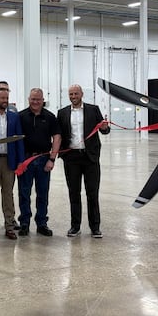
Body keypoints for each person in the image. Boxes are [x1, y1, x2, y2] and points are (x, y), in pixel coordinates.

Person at [57, 84, 110, 238]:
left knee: (92, 193)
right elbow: (59, 135)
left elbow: (104, 130)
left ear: (81, 94)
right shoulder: (62, 113)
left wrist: (105, 127)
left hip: (90, 157)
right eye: (70, 94)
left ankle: (95, 227)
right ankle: (75, 226)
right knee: (74, 193)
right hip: (71, 158)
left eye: (75, 93)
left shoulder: (93, 110)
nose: (73, 96)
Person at [17, 88, 61, 237]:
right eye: (33, 99)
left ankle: (42, 223)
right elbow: (16, 139)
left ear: (43, 100)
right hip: (25, 161)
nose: (35, 102)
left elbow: (57, 138)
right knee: (24, 193)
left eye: (38, 99)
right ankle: (24, 223)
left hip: (43, 160)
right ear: (28, 99)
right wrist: (18, 160)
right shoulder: (21, 116)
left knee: (42, 194)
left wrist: (52, 159)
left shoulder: (50, 117)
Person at [0, 87, 24, 240]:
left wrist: (20, 161)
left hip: (9, 161)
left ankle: (9, 226)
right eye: (2, 98)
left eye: (7, 98)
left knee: (8, 195)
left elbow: (18, 139)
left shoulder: (14, 117)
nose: (5, 101)